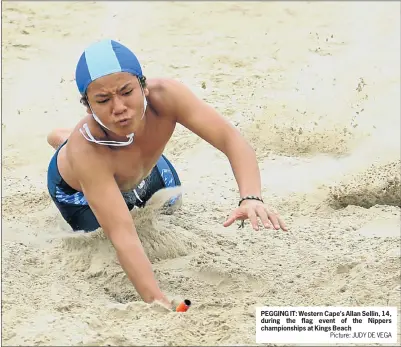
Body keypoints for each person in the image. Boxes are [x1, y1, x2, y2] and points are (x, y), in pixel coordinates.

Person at [46, 39, 287, 310]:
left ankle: (62, 137)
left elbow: (230, 139)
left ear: (144, 87)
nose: (119, 107)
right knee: (110, 235)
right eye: (103, 100)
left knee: (172, 205)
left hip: (143, 168)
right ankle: (64, 143)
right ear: (88, 107)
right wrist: (157, 301)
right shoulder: (87, 150)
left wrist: (251, 197)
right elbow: (123, 235)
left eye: (127, 92)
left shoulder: (166, 96)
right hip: (78, 192)